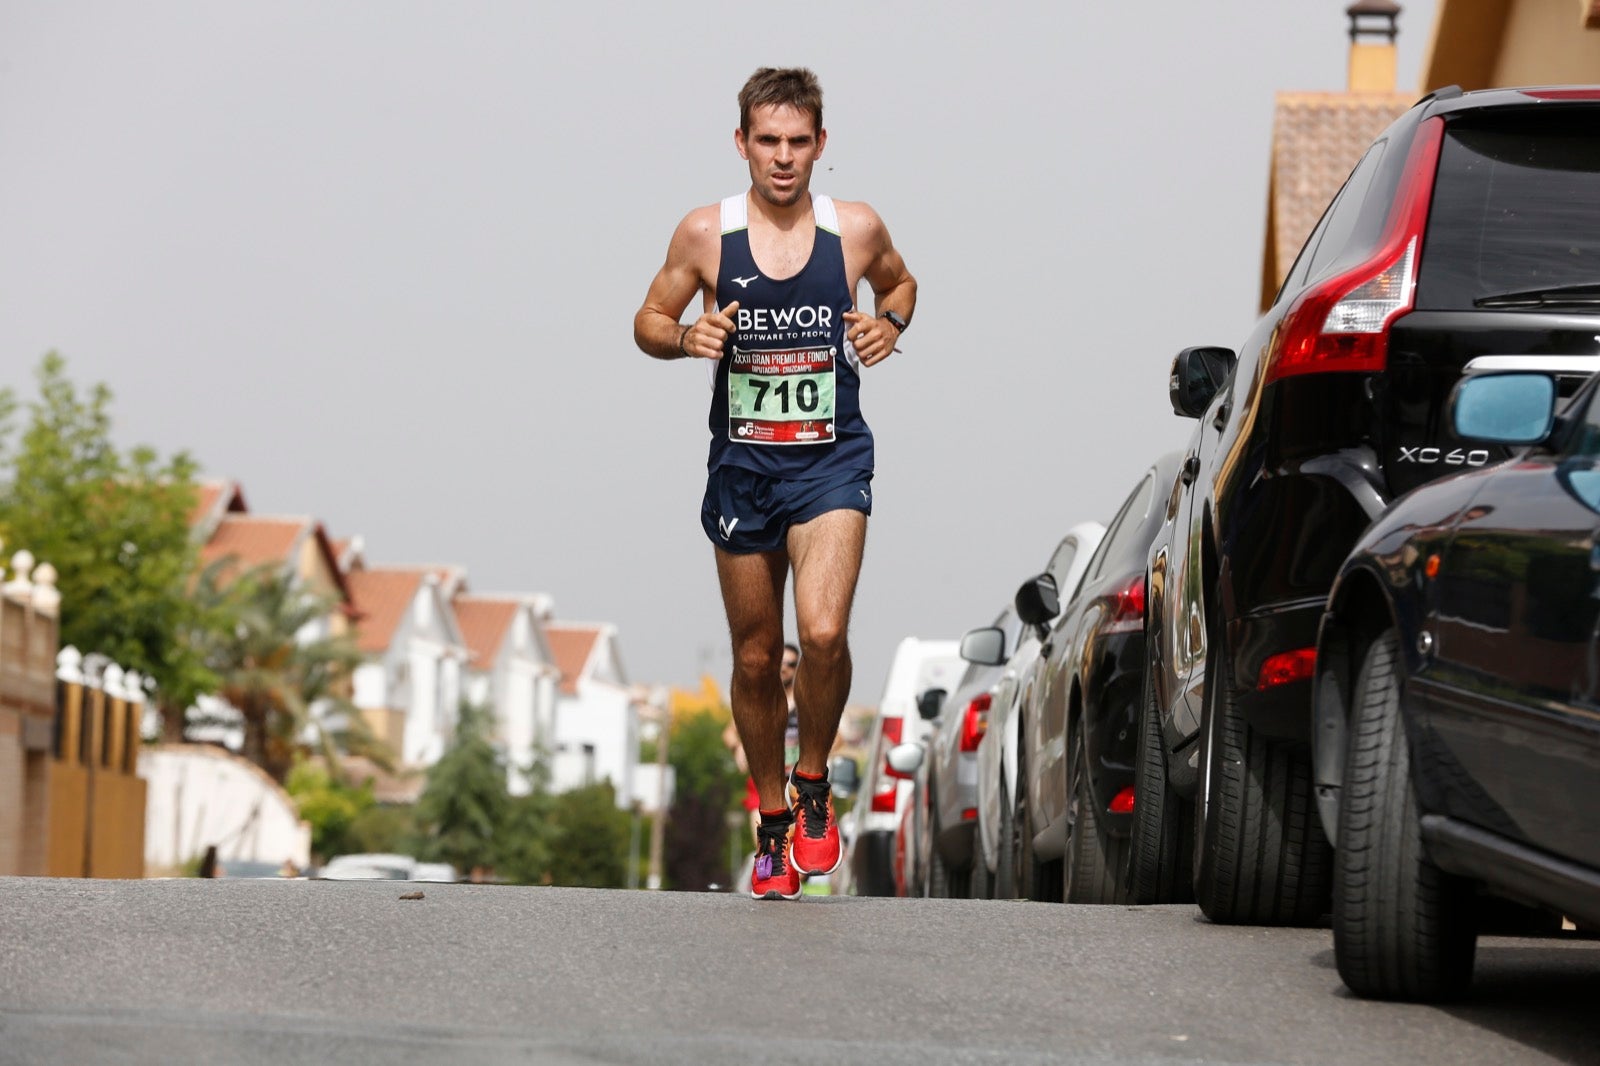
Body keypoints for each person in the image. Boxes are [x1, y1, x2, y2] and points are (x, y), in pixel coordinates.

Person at [635, 67, 916, 900]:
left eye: (798, 141)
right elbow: (647, 320)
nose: (783, 157)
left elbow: (901, 282)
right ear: (742, 143)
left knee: (822, 634)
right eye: (768, 141)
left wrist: (889, 324)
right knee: (757, 658)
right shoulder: (704, 234)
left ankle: (814, 782)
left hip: (831, 462)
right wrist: (686, 339)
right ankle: (771, 822)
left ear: (821, 144)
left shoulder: (854, 228)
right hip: (744, 469)